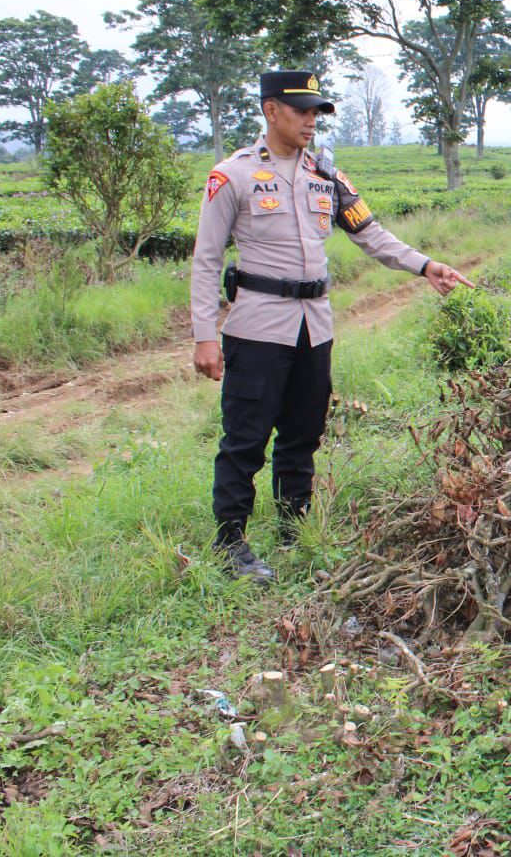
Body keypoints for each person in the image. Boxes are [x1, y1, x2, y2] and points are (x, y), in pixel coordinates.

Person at [190, 70, 475, 585]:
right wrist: (204, 335)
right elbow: (206, 260)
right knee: (245, 438)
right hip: (257, 327)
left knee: (303, 432)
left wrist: (425, 265)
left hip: (313, 327)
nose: (310, 121)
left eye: (316, 113)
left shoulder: (328, 176)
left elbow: (371, 235)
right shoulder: (232, 176)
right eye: (301, 111)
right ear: (271, 110)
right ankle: (230, 541)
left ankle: (294, 528)